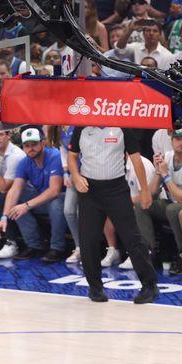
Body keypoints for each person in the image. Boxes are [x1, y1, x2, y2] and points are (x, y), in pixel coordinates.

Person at [68, 126, 160, 303]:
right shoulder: (81, 127)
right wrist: (76, 176)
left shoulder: (123, 127)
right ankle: (95, 288)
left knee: (132, 236)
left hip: (116, 188)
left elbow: (136, 160)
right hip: (89, 190)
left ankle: (149, 285)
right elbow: (72, 156)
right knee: (89, 239)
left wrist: (146, 190)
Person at [0, 127, 68, 262]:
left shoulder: (54, 156)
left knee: (56, 204)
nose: (31, 148)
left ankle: (57, 248)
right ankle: (34, 245)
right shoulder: (24, 162)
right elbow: (15, 189)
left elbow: (54, 190)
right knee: (15, 202)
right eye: (27, 146)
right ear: (23, 148)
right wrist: (4, 217)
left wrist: (27, 205)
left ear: (43, 143)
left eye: (34, 144)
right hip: (41, 198)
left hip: (61, 198)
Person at [134, 128, 182, 275]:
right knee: (142, 205)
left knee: (173, 209)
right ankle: (151, 251)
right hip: (172, 202)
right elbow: (153, 192)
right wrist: (158, 171)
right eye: (178, 139)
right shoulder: (167, 157)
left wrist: (165, 174)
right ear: (172, 141)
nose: (181, 143)